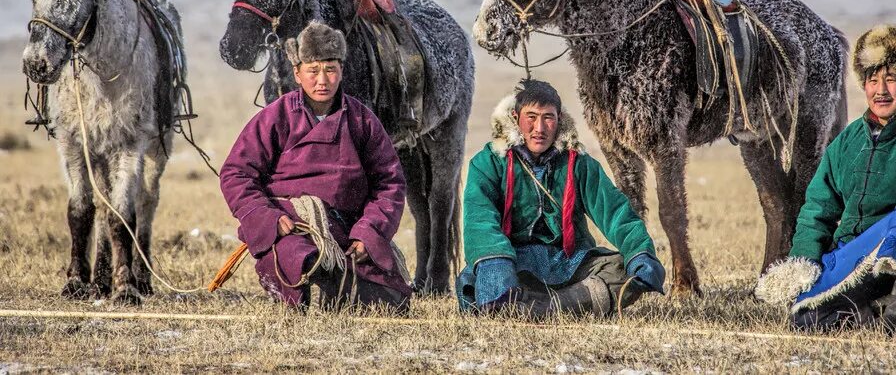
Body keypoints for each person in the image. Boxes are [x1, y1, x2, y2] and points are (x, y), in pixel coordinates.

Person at [755, 25, 896, 332]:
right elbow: (817, 210)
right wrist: (804, 264)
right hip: (863, 253)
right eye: (873, 80)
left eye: (891, 79)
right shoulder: (845, 143)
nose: (881, 90)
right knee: (806, 317)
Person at [220, 21, 412, 312]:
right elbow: (236, 173)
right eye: (313, 70)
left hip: (347, 229)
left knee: (391, 299)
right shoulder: (276, 116)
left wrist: (369, 232)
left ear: (341, 71)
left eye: (330, 69)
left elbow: (389, 182)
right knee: (299, 260)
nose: (322, 80)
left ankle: (338, 287)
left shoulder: (362, 120)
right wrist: (266, 218)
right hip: (293, 225)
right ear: (297, 74)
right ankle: (314, 288)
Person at [456, 79, 666, 317]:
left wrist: (641, 254)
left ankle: (537, 307)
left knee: (624, 270)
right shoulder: (488, 163)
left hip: (570, 262)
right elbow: (480, 221)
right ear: (516, 118)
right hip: (513, 263)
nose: (540, 128)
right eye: (531, 117)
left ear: (559, 120)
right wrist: (496, 266)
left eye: (548, 117)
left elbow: (615, 213)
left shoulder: (579, 164)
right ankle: (559, 304)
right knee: (474, 278)